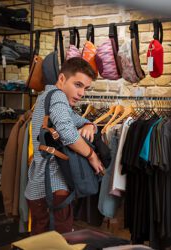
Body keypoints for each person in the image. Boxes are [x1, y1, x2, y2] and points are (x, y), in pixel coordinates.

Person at [25, 57, 105, 235]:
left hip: (36, 187)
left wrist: (89, 125)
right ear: (62, 79)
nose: (82, 93)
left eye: (85, 88)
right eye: (78, 85)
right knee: (60, 242)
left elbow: (78, 121)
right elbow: (68, 134)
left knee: (39, 242)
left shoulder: (46, 97)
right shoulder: (58, 97)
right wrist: (92, 155)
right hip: (54, 187)